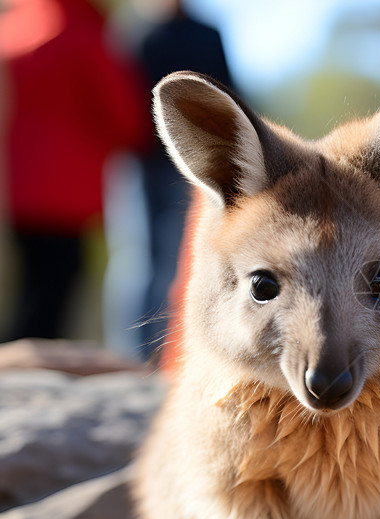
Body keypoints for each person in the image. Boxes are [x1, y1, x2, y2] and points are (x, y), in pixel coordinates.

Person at [0, 0, 149, 341]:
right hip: (64, 189)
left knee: (32, 287)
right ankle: (19, 370)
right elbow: (126, 117)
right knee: (51, 292)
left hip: (16, 184)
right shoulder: (81, 32)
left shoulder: (15, 26)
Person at [131, 0, 233, 358]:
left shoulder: (206, 35)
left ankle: (170, 355)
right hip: (140, 163)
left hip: (192, 168)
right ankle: (137, 353)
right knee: (138, 260)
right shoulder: (136, 34)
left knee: (179, 257)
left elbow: (228, 95)